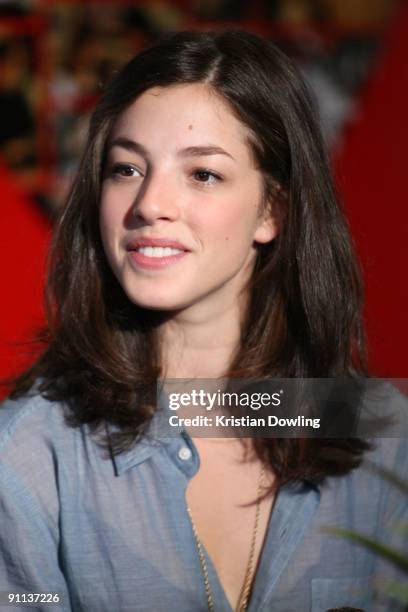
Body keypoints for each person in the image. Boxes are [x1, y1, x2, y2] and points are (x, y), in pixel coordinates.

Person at [0, 30, 406, 612]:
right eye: (127, 169)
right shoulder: (28, 456)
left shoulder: (382, 434)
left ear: (273, 210)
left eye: (202, 174)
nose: (149, 205)